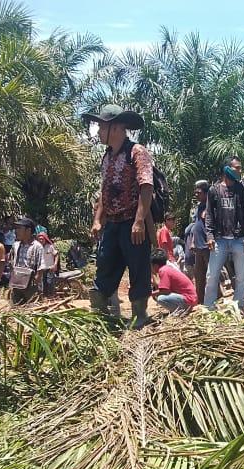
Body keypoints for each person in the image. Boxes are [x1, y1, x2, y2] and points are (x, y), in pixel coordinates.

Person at [84, 104, 154, 327]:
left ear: (115, 128)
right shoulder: (107, 157)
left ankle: (139, 317)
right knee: (105, 266)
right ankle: (100, 316)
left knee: (138, 269)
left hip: (132, 223)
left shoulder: (137, 152)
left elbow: (146, 187)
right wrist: (97, 219)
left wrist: (139, 221)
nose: (98, 131)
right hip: (112, 224)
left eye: (101, 127)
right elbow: (104, 191)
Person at [203, 162, 244, 311]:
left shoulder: (242, 189)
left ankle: (238, 306)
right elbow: (209, 214)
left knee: (241, 276)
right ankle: (209, 307)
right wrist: (209, 236)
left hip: (239, 239)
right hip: (219, 239)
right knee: (212, 275)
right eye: (237, 167)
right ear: (227, 169)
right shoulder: (214, 190)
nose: (240, 170)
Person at [150, 248, 198, 315]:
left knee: (161, 298)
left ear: (155, 265)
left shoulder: (163, 271)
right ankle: (180, 309)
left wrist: (150, 293)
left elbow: (165, 291)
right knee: (158, 295)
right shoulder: (167, 268)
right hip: (191, 298)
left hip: (189, 299)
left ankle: (181, 310)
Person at [9, 217, 43, 305]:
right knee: (16, 308)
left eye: (19, 228)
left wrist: (36, 282)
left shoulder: (37, 246)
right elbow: (11, 261)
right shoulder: (15, 245)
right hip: (17, 282)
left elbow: (41, 266)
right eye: (16, 228)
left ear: (28, 230)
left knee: (32, 308)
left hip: (31, 283)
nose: (16, 231)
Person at [189, 180, 210, 304]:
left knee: (211, 275)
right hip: (198, 246)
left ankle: (214, 299)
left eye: (199, 192)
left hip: (207, 246)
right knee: (199, 275)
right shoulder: (199, 206)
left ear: (206, 193)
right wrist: (193, 241)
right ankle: (200, 301)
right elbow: (196, 225)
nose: (196, 195)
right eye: (195, 192)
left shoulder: (210, 206)